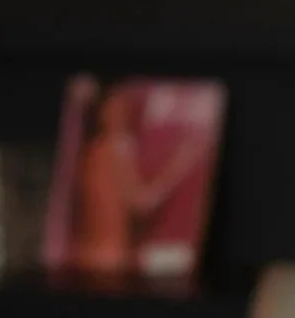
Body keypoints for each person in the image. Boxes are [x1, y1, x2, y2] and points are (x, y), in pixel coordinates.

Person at [72, 84, 211, 275]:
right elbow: (143, 202)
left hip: (100, 254)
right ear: (103, 112)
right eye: (117, 109)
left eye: (124, 109)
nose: (122, 114)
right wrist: (180, 163)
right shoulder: (112, 147)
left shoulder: (99, 149)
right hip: (108, 258)